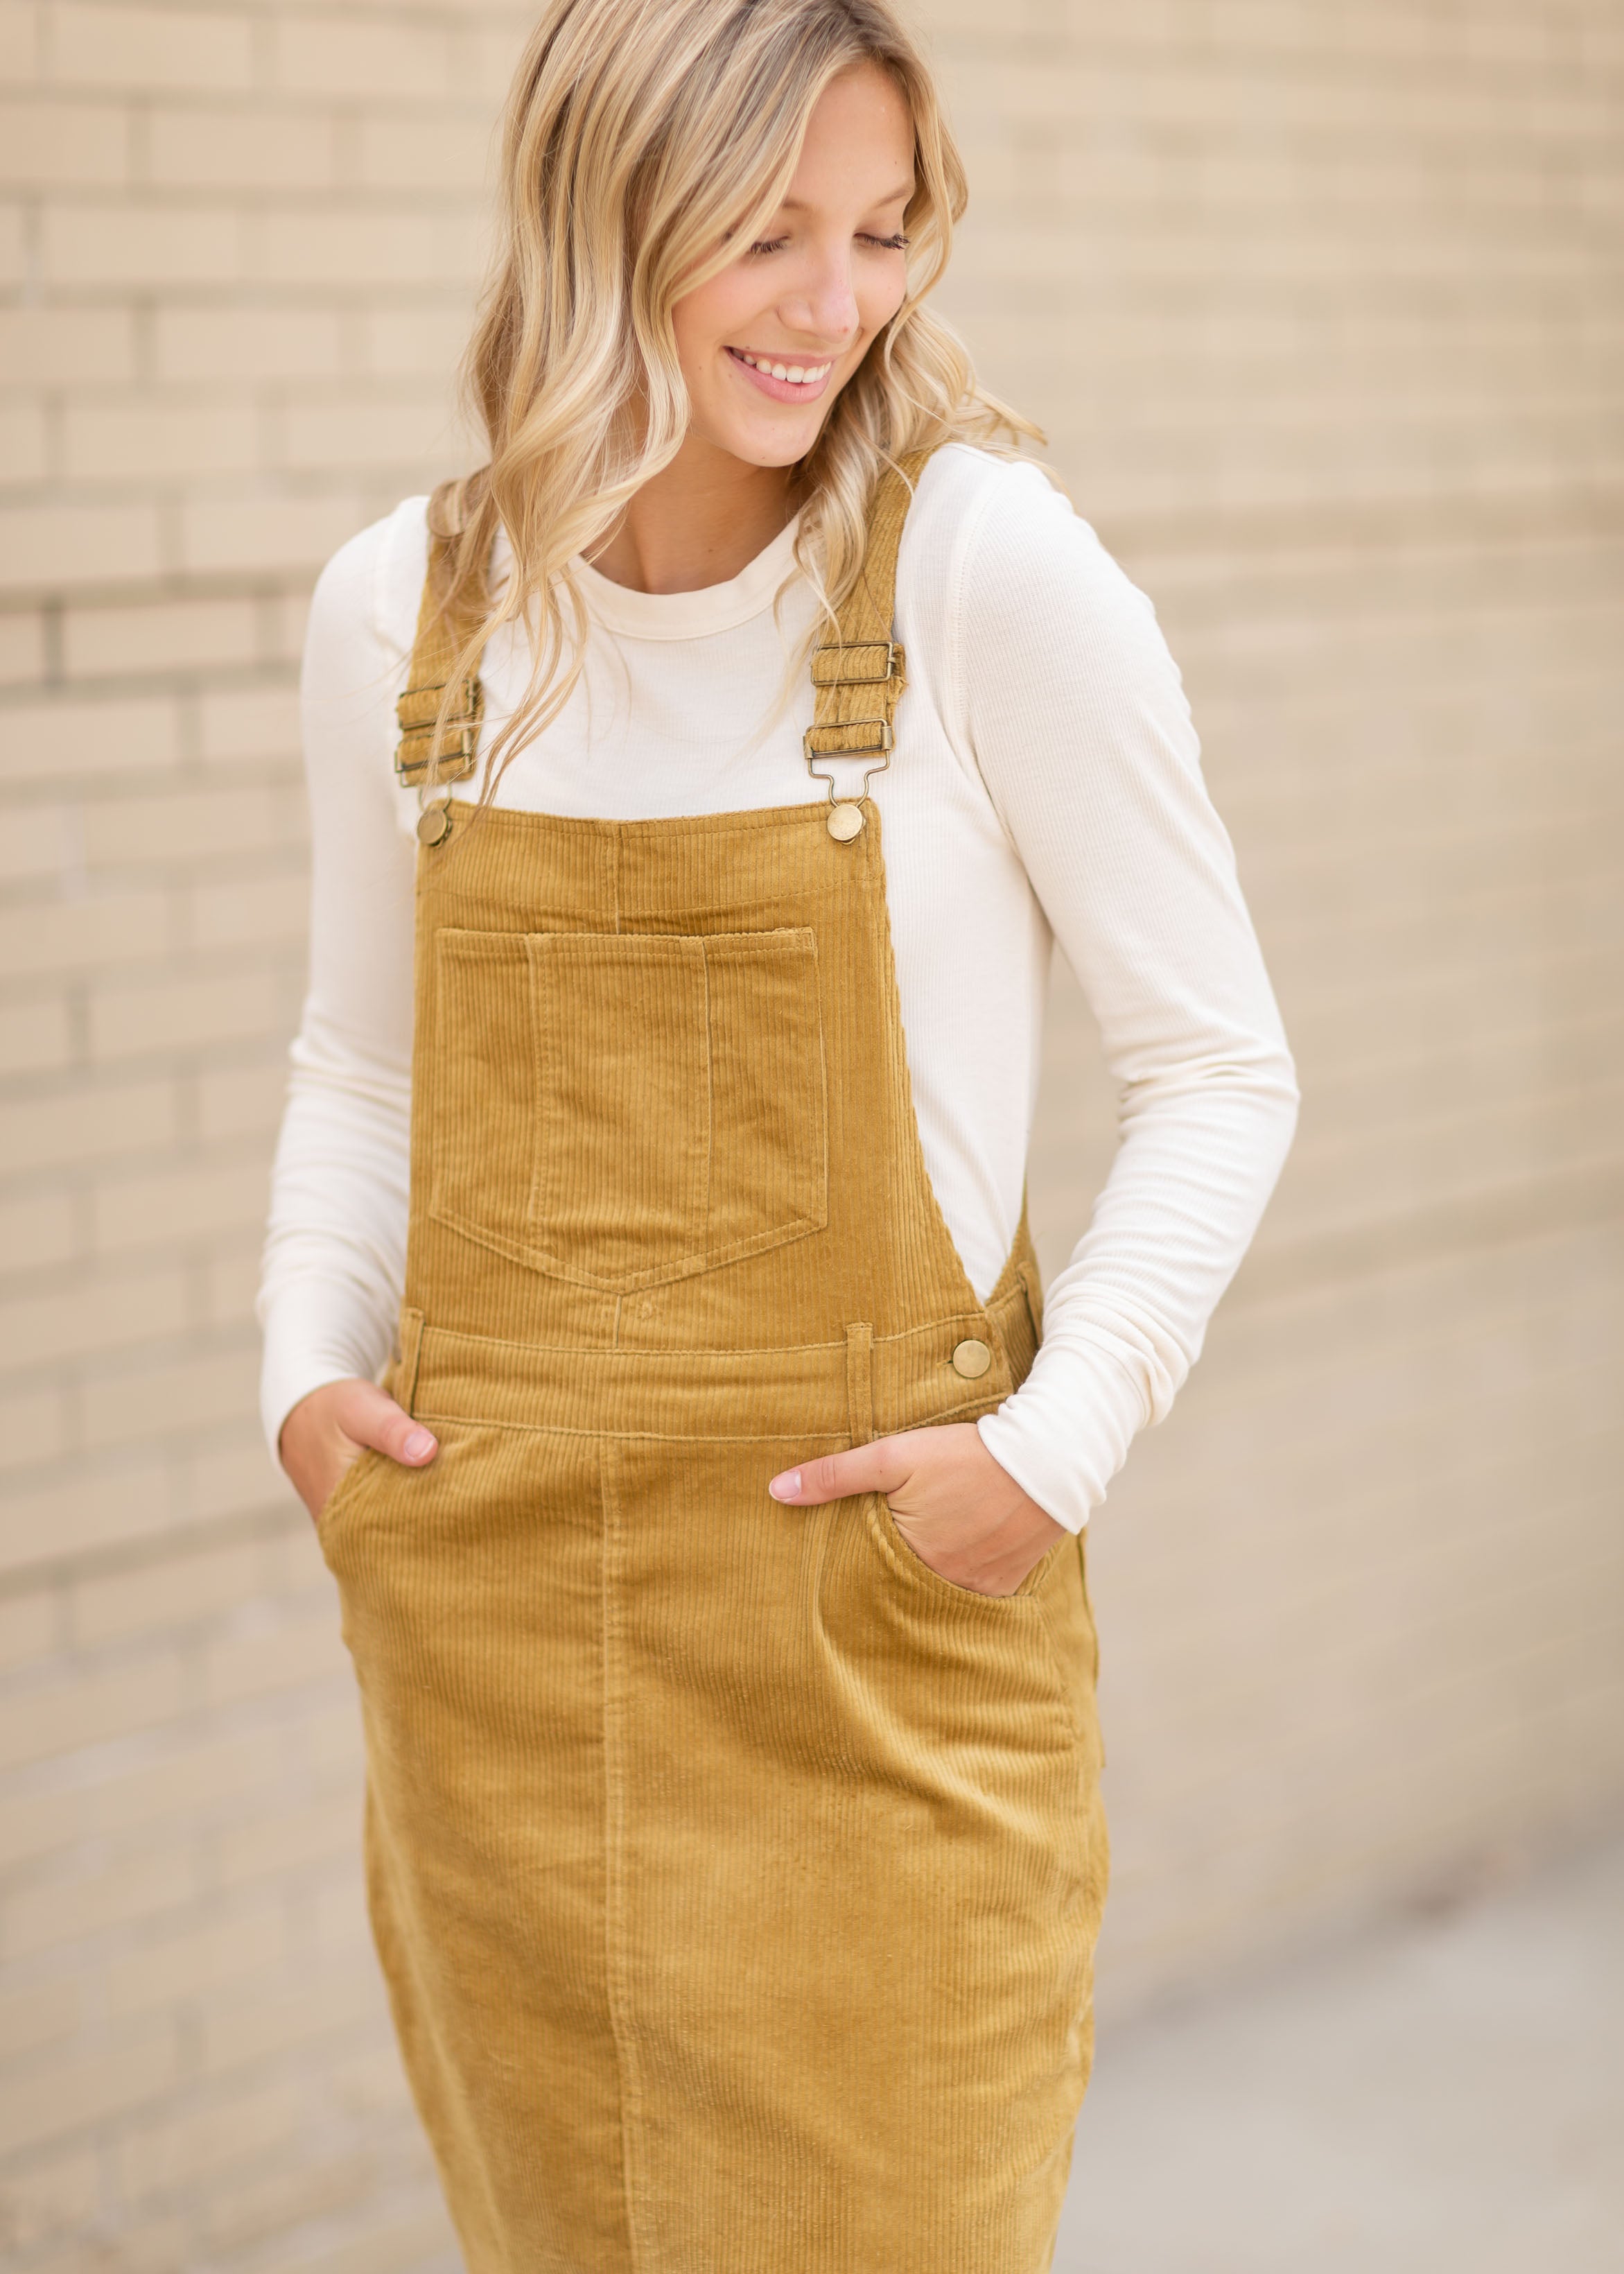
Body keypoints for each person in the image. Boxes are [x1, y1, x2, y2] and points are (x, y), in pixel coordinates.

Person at [258, 0, 1298, 2264]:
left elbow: (1223, 1064)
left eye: (885, 230)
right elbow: (359, 1065)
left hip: (874, 1668)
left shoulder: (979, 579)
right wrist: (301, 1388)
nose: (839, 306)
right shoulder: (401, 618)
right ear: (599, 214)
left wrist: (1047, 1455)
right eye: (768, 235)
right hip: (501, 1673)